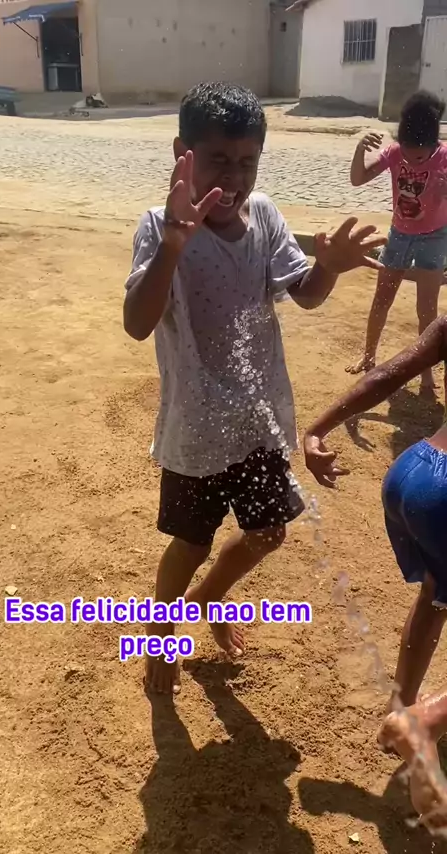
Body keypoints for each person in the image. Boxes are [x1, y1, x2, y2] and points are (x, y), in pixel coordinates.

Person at [124, 81, 385, 695]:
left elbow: (305, 294)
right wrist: (173, 246)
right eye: (218, 160)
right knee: (190, 542)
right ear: (182, 154)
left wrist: (327, 268)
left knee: (269, 532)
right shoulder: (160, 227)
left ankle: (208, 599)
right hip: (196, 426)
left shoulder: (264, 215)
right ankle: (160, 636)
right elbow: (137, 324)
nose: (234, 178)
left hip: (257, 419)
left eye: (247, 162)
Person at [304, 315, 447, 827]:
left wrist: (317, 428)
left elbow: (388, 373)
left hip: (417, 469)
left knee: (437, 592)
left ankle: (402, 706)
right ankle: (427, 720)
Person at [347, 91, 447, 395]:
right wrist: (359, 150)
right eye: (407, 154)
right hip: (400, 235)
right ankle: (368, 356)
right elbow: (357, 179)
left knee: (426, 309)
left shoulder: (444, 158)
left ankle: (426, 372)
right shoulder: (394, 153)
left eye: (419, 157)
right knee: (382, 298)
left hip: (434, 238)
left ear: (433, 145)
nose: (412, 161)